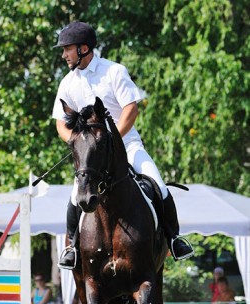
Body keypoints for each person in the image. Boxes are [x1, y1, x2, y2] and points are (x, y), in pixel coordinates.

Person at [52, 21, 194, 269]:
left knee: (157, 182)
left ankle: (174, 239)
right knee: (76, 195)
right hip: (91, 158)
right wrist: (79, 144)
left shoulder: (114, 72)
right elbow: (60, 124)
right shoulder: (67, 83)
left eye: (67, 49)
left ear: (83, 49)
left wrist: (111, 139)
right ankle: (72, 247)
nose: (64, 55)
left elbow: (131, 109)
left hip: (127, 145)